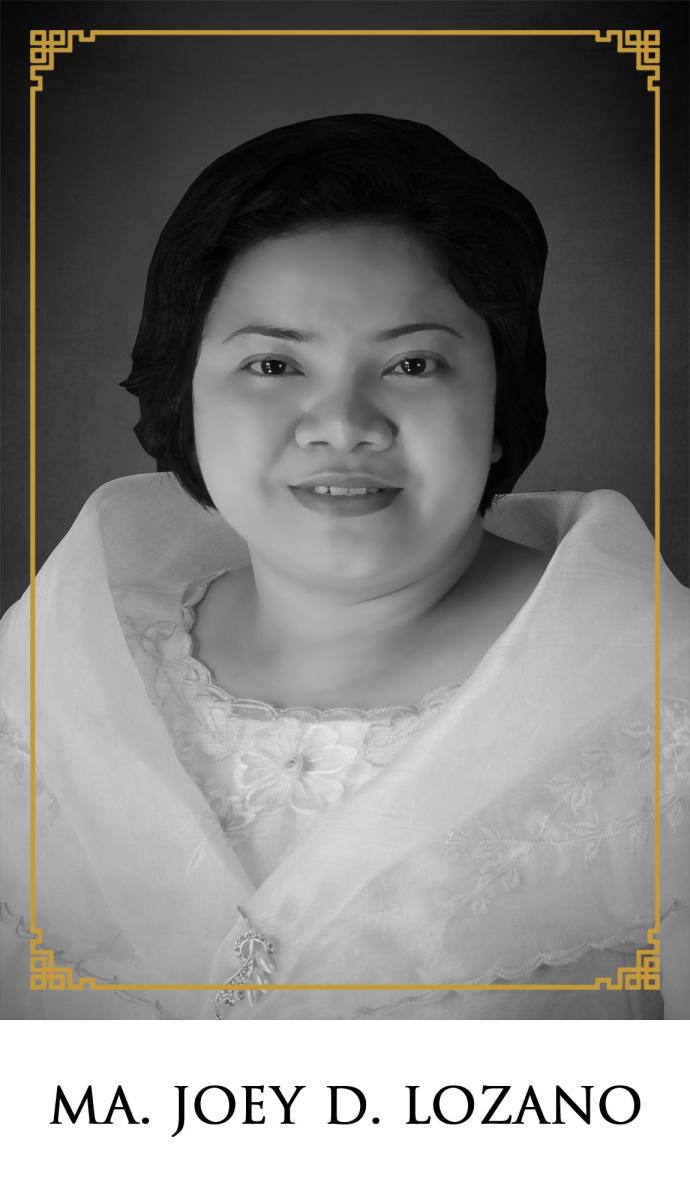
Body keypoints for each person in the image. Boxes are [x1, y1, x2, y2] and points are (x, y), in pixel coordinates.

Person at [1, 114, 688, 1020]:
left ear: (500, 400)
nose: (343, 425)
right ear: (186, 394)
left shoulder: (660, 702)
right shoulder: (47, 677)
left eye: (413, 362)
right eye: (273, 363)